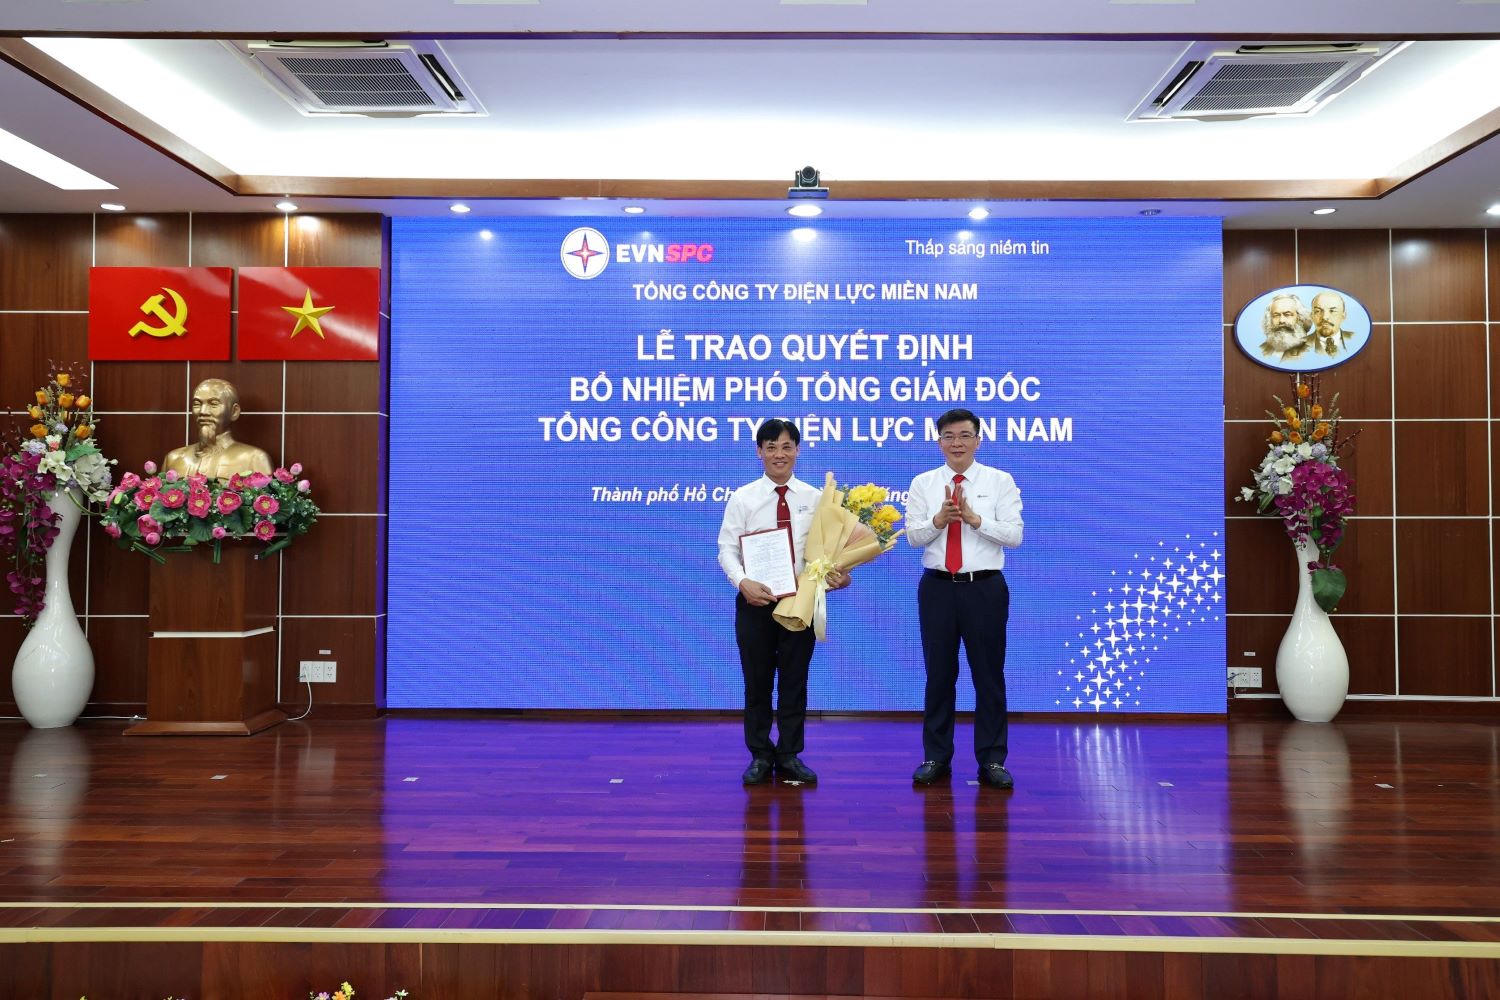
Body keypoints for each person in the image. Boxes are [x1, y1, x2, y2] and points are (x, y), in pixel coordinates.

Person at [717, 418, 848, 786]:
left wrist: (839, 575)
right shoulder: (743, 498)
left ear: (797, 451)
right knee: (757, 682)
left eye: (787, 446)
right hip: (755, 602)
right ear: (759, 452)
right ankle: (760, 754)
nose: (779, 454)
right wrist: (742, 582)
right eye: (771, 447)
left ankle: (789, 754)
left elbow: (826, 551)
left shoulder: (815, 498)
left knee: (794, 681)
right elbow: (726, 549)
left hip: (799, 602)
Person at [905, 408, 1023, 789]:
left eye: (965, 435)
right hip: (938, 588)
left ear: (978, 440)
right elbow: (913, 537)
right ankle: (936, 756)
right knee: (939, 675)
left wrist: (975, 520)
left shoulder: (1000, 481)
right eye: (949, 436)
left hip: (984, 588)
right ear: (939, 441)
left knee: (988, 676)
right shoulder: (923, 483)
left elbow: (1014, 536)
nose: (957, 443)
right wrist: (938, 521)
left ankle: (992, 759)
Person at [164, 378, 273, 480]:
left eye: (213, 404)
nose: (203, 411)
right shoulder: (173, 458)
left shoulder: (255, 459)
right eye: (197, 404)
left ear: (234, 412)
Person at [1258, 293, 1314, 362]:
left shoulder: (1311, 350)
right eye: (1276, 315)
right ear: (1269, 319)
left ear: (1300, 318)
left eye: (1287, 314)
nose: (1281, 320)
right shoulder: (1263, 350)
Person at [1310, 290, 1352, 356]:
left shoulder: (1356, 339)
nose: (1325, 317)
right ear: (1312, 316)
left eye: (1332, 311)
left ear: (1343, 316)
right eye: (1318, 311)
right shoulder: (1299, 346)